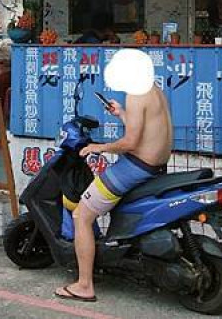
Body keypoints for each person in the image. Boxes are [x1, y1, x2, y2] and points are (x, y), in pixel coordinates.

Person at [54, 49, 173, 303]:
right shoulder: (154, 91)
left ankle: (84, 285)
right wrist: (120, 113)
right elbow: (144, 127)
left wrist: (99, 147)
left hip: (135, 167)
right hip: (155, 166)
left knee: (81, 215)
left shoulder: (136, 95)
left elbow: (131, 142)